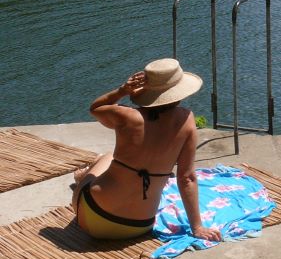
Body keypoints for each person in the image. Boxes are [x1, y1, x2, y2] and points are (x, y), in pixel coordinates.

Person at [70, 58, 222, 242]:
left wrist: (122, 91)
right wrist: (197, 227)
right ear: (179, 92)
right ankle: (86, 175)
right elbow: (186, 178)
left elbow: (95, 108)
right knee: (112, 162)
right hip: (138, 226)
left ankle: (83, 178)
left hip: (92, 217)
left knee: (108, 157)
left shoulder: (127, 116)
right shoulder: (187, 120)